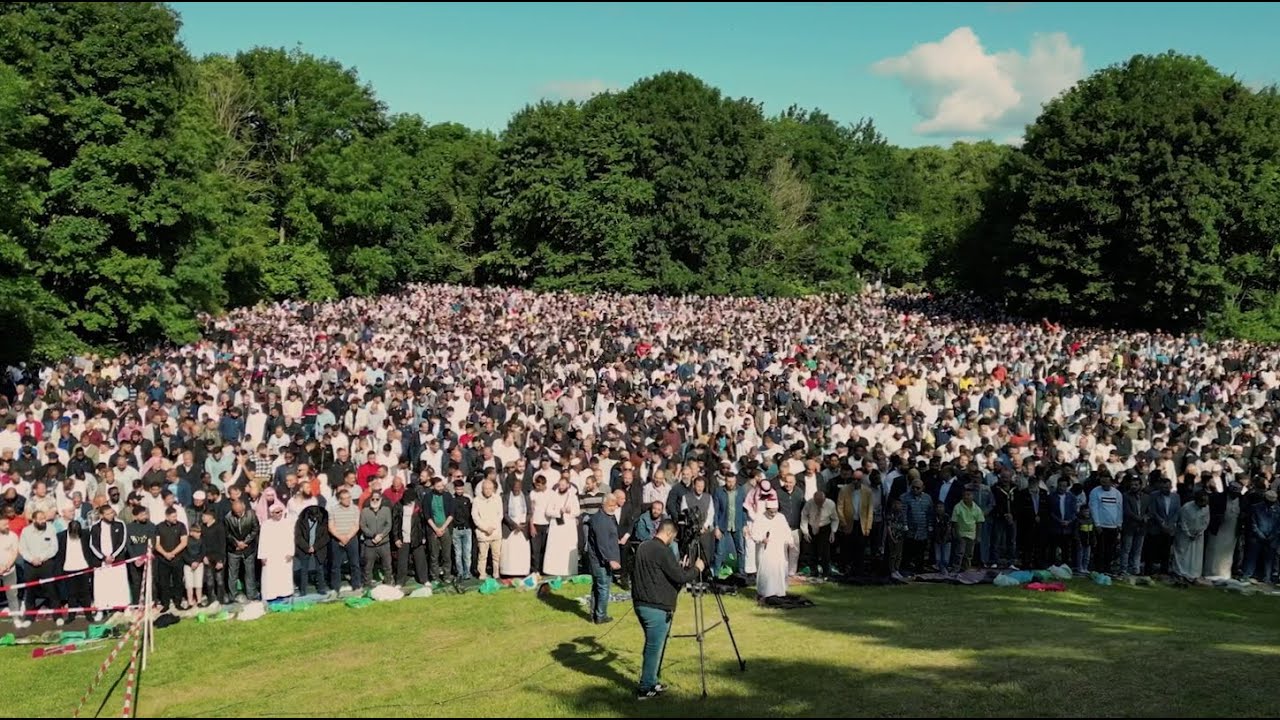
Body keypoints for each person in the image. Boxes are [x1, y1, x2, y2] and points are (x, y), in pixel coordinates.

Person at [631, 518, 704, 701]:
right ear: (669, 533)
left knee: (654, 644)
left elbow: (660, 573)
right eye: (673, 537)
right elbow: (680, 577)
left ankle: (652, 680)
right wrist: (696, 568)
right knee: (654, 647)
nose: (673, 541)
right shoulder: (663, 551)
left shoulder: (643, 547)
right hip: (656, 606)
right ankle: (645, 687)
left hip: (640, 603)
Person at [88, 503, 129, 618]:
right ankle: (101, 609)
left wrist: (113, 556)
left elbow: (122, 542)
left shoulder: (120, 524)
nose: (111, 515)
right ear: (101, 515)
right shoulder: (95, 527)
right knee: (101, 586)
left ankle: (124, 606)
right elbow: (92, 544)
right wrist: (103, 557)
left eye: (112, 513)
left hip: (117, 560)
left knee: (120, 584)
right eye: (108, 514)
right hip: (101, 562)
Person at [586, 494, 622, 624]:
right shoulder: (600, 520)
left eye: (615, 505)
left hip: (600, 559)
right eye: (611, 505)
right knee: (603, 586)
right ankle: (601, 616)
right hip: (600, 561)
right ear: (603, 505)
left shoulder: (606, 517)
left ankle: (594, 613)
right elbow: (602, 543)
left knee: (598, 586)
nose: (613, 508)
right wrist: (610, 560)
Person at [749, 499, 794, 600]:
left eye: (775, 511)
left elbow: (786, 531)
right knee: (766, 572)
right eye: (771, 512)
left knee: (779, 570)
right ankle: (765, 593)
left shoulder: (781, 517)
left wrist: (790, 540)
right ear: (767, 509)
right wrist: (762, 539)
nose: (773, 514)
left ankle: (779, 592)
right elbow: (754, 534)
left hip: (778, 549)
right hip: (765, 550)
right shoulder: (760, 518)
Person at [542, 475, 581, 577]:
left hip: (568, 527)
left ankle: (567, 570)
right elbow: (548, 511)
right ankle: (552, 570)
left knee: (566, 548)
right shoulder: (553, 496)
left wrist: (569, 511)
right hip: (556, 526)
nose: (561, 487)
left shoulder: (573, 497)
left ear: (568, 485)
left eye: (563, 485)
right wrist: (559, 511)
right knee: (555, 548)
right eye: (560, 485)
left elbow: (577, 512)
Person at [224, 498, 260, 601]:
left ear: (243, 507)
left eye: (240, 511)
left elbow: (255, 529)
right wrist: (237, 543)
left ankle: (251, 594)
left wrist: (245, 542)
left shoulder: (251, 515)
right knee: (233, 573)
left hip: (248, 548)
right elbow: (227, 533)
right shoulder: (228, 517)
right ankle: (232, 595)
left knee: (249, 572)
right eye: (236, 512)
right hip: (234, 548)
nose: (238, 514)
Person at [327, 487, 362, 591]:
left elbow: (356, 525)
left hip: (351, 538)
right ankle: (336, 587)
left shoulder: (355, 509)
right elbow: (331, 526)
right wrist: (340, 537)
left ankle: (356, 585)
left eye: (349, 498)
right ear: (340, 499)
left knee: (354, 563)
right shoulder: (333, 510)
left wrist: (347, 537)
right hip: (337, 539)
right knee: (335, 565)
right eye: (344, 498)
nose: (347, 500)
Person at [258, 503, 294, 601]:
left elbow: (291, 539)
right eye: (277, 512)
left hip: (284, 554)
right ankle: (270, 595)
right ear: (271, 514)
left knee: (284, 574)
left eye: (281, 511)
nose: (280, 514)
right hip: (270, 555)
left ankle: (285, 593)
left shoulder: (287, 523)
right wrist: (262, 556)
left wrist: (291, 552)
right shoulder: (266, 525)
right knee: (270, 576)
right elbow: (262, 541)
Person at [154, 506, 188, 610]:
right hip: (163, 560)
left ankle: (178, 602)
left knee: (178, 581)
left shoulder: (181, 526)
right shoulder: (159, 527)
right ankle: (166, 604)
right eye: (173, 516)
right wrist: (165, 554)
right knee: (164, 582)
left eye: (176, 516)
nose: (175, 518)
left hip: (177, 559)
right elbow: (157, 544)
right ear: (167, 516)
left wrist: (172, 553)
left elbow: (184, 542)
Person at [1172, 491, 1211, 580]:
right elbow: (1183, 522)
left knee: (1196, 554)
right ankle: (1180, 572)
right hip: (1184, 534)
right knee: (1182, 552)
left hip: (1198, 535)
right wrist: (1188, 533)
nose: (1205, 505)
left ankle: (1194, 573)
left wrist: (1200, 532)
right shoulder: (1186, 508)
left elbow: (1206, 521)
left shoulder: (1206, 508)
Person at [294, 503, 331, 596]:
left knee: (320, 569)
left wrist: (315, 547)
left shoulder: (323, 521)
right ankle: (303, 590)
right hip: (305, 549)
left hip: (319, 548)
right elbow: (298, 537)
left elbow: (326, 537)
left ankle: (321, 588)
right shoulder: (300, 522)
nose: (315, 518)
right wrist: (307, 547)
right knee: (304, 570)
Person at [422, 477, 455, 582]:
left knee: (446, 554)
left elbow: (451, 514)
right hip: (433, 529)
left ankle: (447, 576)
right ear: (433, 487)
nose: (441, 488)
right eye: (438, 486)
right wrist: (436, 529)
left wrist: (443, 528)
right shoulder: (428, 497)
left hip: (445, 527)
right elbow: (427, 515)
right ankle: (435, 576)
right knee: (434, 555)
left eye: (442, 485)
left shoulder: (448, 496)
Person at [59, 520, 92, 623]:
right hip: (68, 568)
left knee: (85, 593)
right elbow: (59, 554)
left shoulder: (86, 534)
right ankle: (71, 616)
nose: (75, 535)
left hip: (84, 566)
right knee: (71, 594)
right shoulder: (61, 536)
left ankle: (89, 615)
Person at [360, 491, 393, 587]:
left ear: (381, 500)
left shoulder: (386, 510)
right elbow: (363, 526)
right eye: (373, 499)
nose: (375, 501)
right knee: (368, 566)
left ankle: (388, 582)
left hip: (384, 543)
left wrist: (381, 535)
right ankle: (367, 584)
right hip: (370, 543)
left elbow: (389, 525)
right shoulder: (364, 511)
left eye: (377, 499)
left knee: (387, 565)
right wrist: (373, 535)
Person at [471, 479, 502, 579]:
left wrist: (492, 527)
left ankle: (496, 573)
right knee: (482, 556)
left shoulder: (498, 498)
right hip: (482, 533)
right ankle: (482, 574)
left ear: (493, 489)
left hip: (495, 532)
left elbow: (500, 515)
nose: (488, 491)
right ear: (482, 489)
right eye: (486, 489)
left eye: (490, 489)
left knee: (496, 555)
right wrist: (485, 528)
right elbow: (475, 516)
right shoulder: (476, 500)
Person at [500, 477, 531, 577]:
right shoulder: (506, 496)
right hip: (510, 529)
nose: (517, 489)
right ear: (512, 487)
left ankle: (522, 571)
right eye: (515, 487)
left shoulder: (526, 496)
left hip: (523, 528)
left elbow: (530, 512)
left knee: (521, 552)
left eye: (519, 487)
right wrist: (514, 525)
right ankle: (508, 572)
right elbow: (504, 513)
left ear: (521, 487)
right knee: (510, 552)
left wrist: (524, 523)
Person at [950, 488, 984, 571]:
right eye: (964, 495)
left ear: (972, 496)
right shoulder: (957, 507)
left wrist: (978, 536)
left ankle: (966, 569)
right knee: (959, 553)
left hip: (972, 534)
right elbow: (955, 522)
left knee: (969, 554)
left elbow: (979, 522)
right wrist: (957, 534)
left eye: (968, 495)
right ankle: (956, 569)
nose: (966, 497)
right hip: (961, 533)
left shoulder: (977, 508)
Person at [451, 479, 474, 580]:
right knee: (458, 553)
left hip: (467, 529)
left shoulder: (467, 499)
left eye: (461, 489)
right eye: (457, 489)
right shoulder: (452, 500)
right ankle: (460, 572)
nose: (459, 491)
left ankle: (467, 572)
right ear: (454, 489)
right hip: (456, 530)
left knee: (467, 553)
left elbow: (470, 514)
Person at [182, 522, 206, 608]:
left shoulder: (202, 540)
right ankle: (190, 602)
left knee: (198, 583)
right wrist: (190, 562)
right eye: (197, 532)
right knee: (189, 585)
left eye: (200, 532)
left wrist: (197, 561)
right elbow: (184, 553)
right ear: (191, 532)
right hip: (188, 565)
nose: (199, 534)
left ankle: (199, 601)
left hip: (199, 564)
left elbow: (203, 552)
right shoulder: (186, 540)